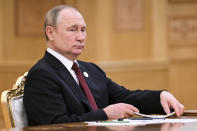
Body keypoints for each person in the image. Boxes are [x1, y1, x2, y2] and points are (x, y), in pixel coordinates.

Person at [23, 5, 184, 126]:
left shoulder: (91, 70)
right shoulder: (42, 75)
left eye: (83, 30)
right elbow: (55, 125)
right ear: (50, 32)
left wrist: (160, 96)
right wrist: (105, 114)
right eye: (73, 30)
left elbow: (125, 97)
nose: (81, 37)